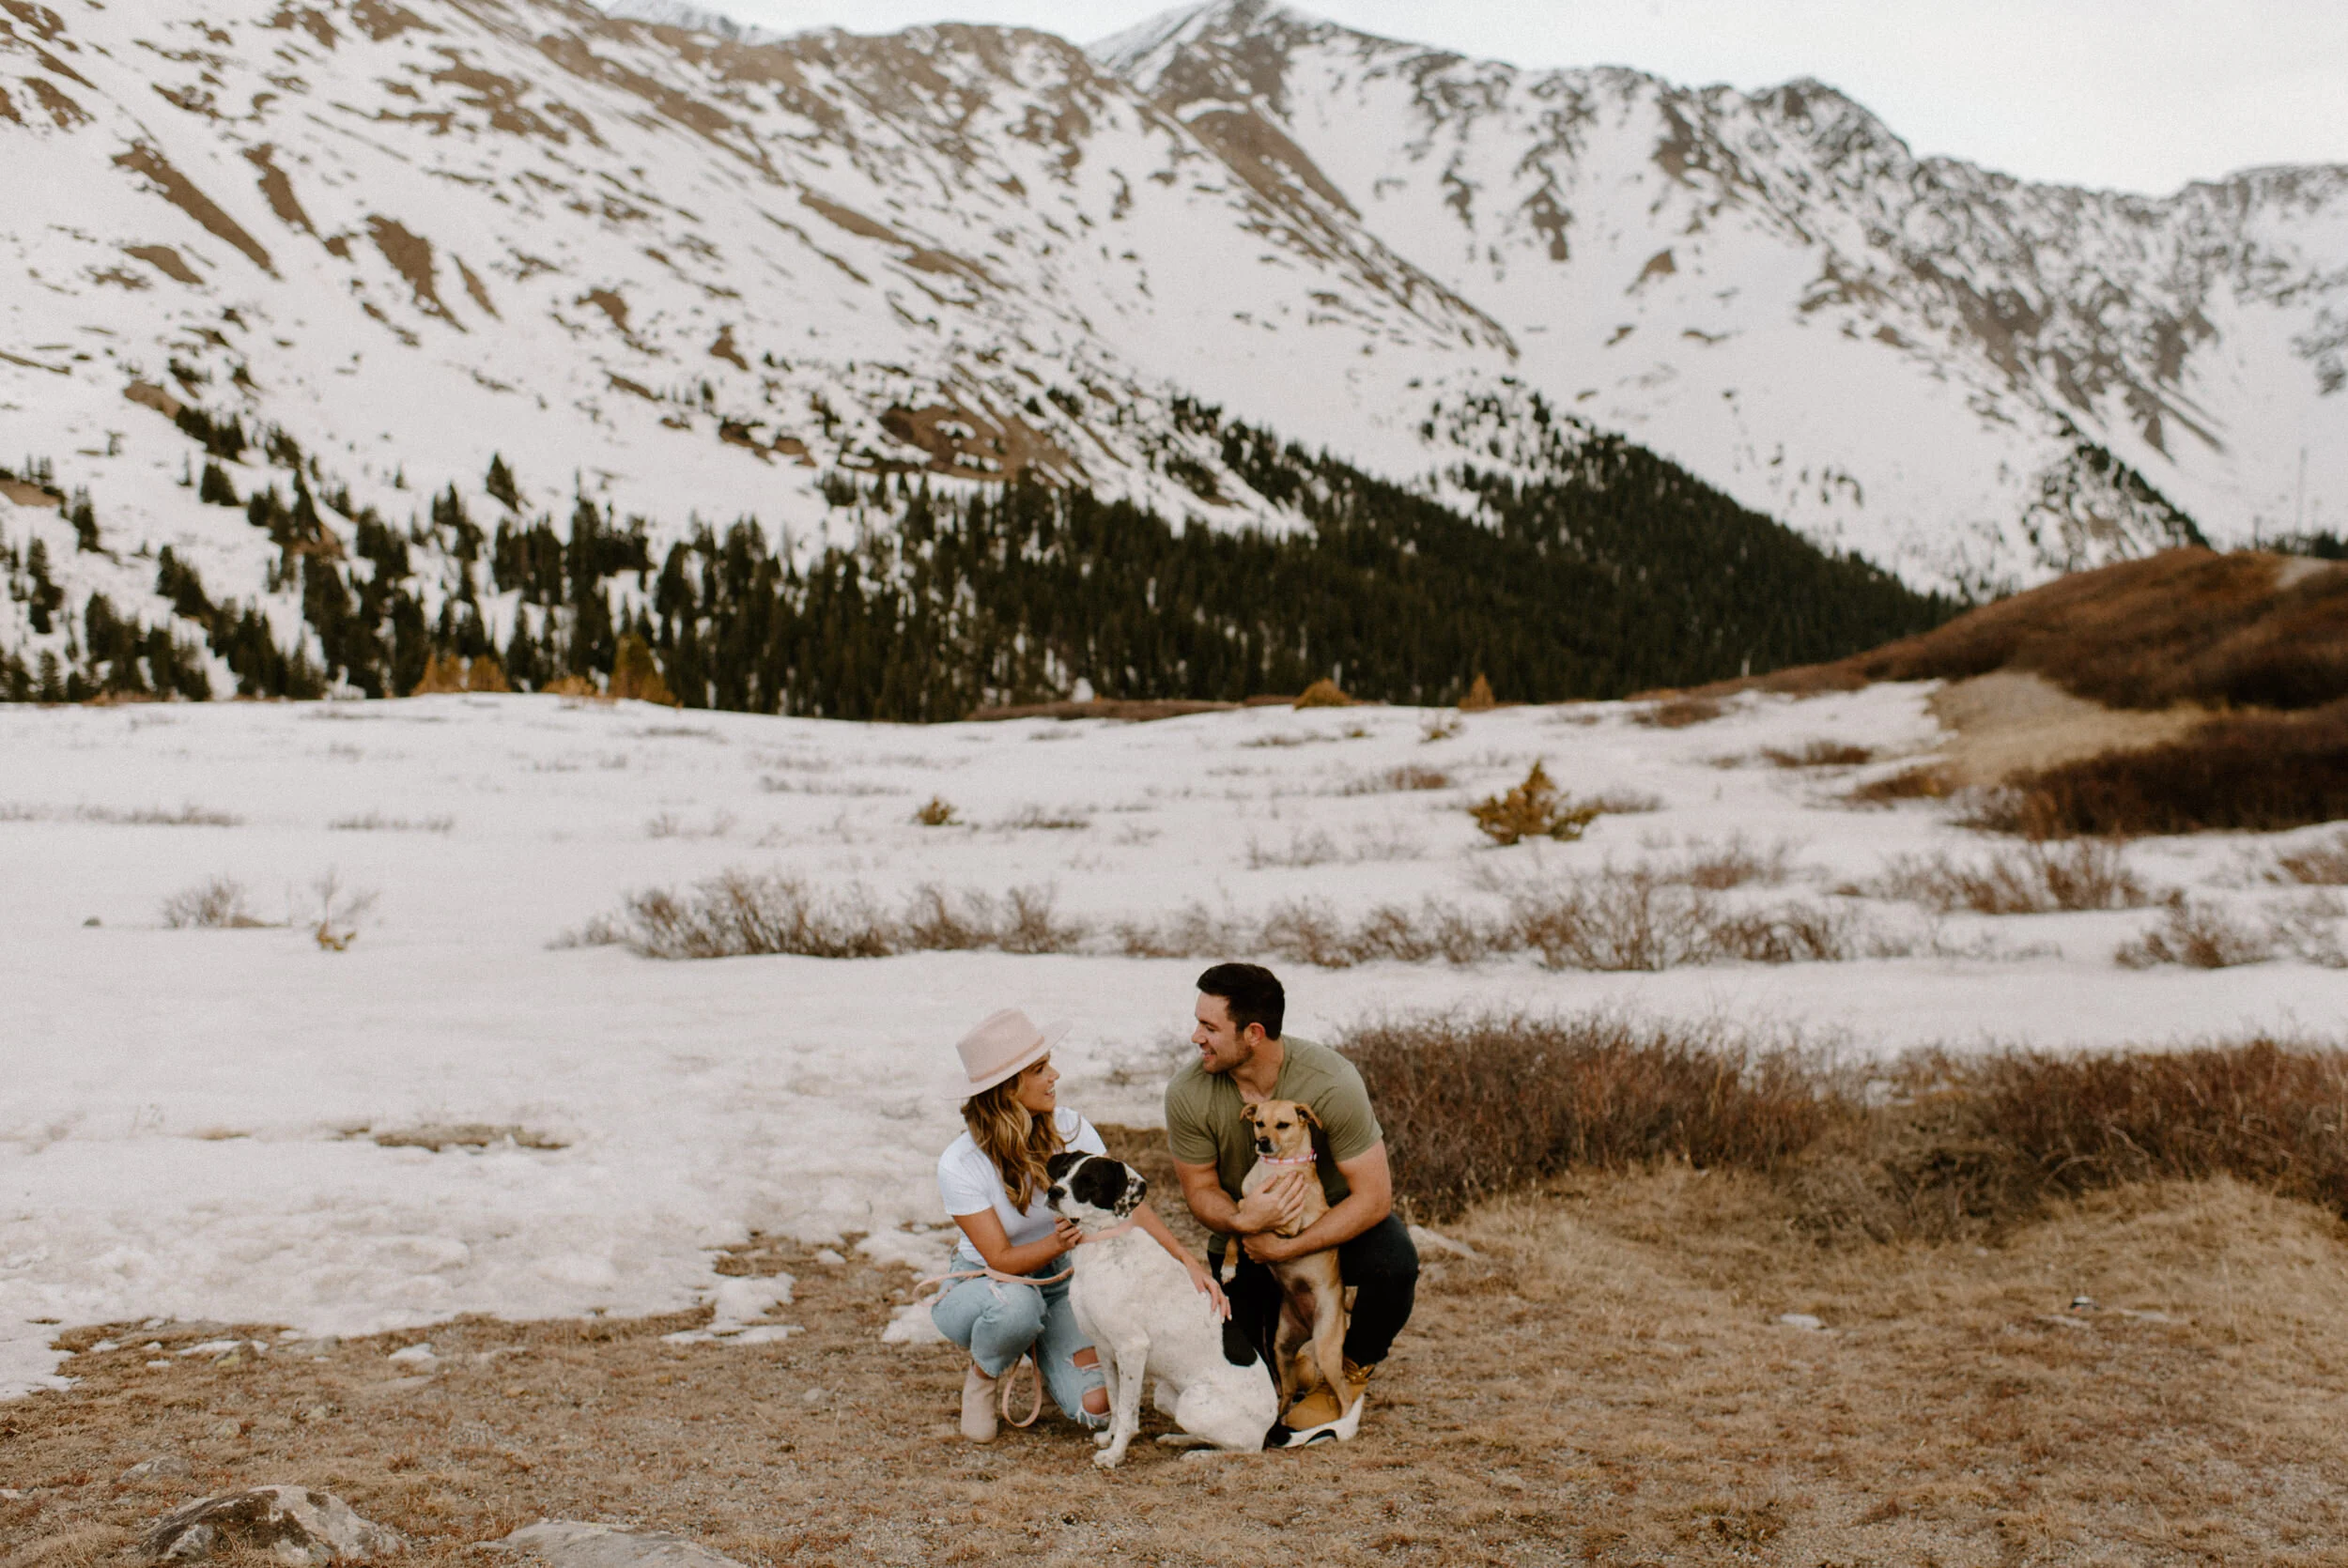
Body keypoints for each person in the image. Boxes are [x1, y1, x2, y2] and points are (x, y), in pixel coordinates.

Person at [931, 1007, 1226, 1443]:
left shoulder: (1070, 1127)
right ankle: (985, 1372)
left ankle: (1049, 1356)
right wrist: (1056, 1242)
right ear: (1006, 1088)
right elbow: (1000, 1258)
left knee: (1096, 1411)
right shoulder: (960, 1163)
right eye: (1039, 1069)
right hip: (988, 1285)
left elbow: (1125, 1205)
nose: (1055, 1075)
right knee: (1016, 1309)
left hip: (1066, 1278)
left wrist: (1185, 1260)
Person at [1164, 963, 1418, 1433]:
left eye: (1209, 1027)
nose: (1195, 1036)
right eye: (1198, 1022)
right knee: (1248, 1391)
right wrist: (1243, 1226)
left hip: (1332, 1233)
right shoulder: (1188, 1091)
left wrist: (1286, 1248)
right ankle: (1289, 1372)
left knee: (1395, 1258)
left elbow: (1375, 1198)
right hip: (1244, 1246)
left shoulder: (1331, 1081)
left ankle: (1348, 1369)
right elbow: (1200, 1192)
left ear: (1254, 1033)